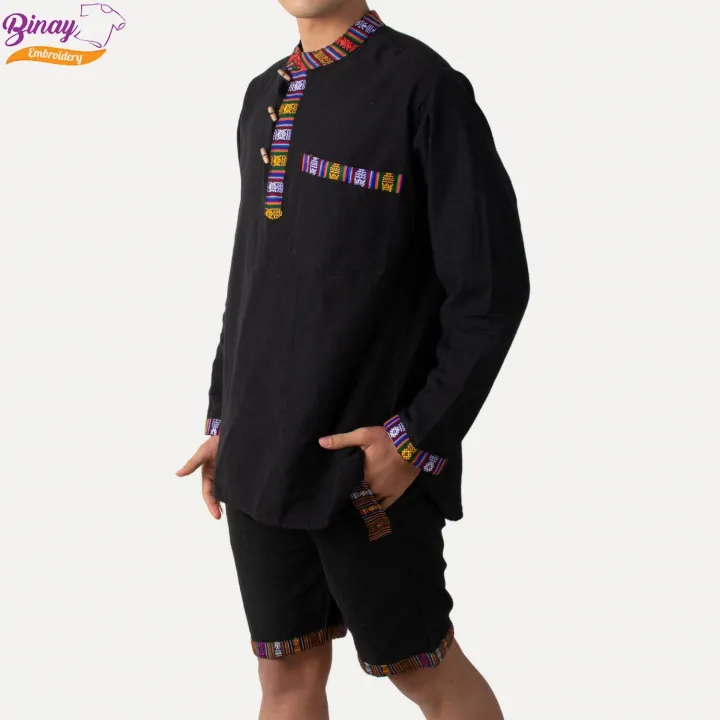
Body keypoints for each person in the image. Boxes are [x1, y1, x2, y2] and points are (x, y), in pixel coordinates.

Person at [177, 1, 529, 717]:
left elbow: (491, 292)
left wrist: (416, 439)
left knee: (427, 672)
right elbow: (254, 275)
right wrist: (225, 418)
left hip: (364, 464)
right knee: (285, 676)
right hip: (258, 455)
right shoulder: (262, 94)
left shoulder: (425, 89)